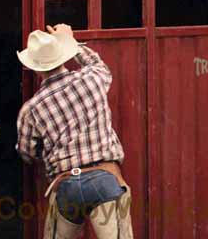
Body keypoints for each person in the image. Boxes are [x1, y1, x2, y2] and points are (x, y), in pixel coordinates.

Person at [16, 24, 133, 239]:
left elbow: (26, 153)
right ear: (63, 57)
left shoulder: (31, 109)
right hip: (105, 180)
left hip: (67, 184)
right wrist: (70, 40)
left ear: (36, 68)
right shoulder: (91, 80)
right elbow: (97, 64)